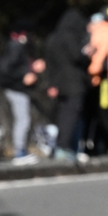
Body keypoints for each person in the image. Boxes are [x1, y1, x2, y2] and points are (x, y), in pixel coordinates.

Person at [45, 9, 92, 161]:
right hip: (74, 83)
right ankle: (64, 147)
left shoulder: (52, 38)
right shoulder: (71, 37)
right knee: (71, 116)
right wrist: (88, 54)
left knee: (62, 115)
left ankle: (60, 146)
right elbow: (77, 56)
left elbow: (49, 63)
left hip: (58, 83)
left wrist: (51, 83)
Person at [0, 19, 46, 164]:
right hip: (16, 88)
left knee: (24, 119)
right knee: (22, 120)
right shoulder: (16, 46)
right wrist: (24, 76)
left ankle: (22, 150)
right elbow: (6, 70)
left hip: (19, 89)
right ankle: (19, 152)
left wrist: (33, 69)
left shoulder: (20, 47)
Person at [85, 5, 108, 155]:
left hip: (93, 77)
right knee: (105, 109)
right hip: (104, 77)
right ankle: (106, 143)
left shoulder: (94, 28)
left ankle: (94, 143)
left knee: (94, 111)